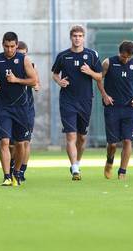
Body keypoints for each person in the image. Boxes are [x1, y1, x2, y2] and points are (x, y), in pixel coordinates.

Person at [0, 32, 37, 186]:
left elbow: (33, 80)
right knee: (5, 142)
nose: (9, 49)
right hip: (3, 108)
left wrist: (16, 80)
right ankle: (6, 176)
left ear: (16, 44)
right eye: (6, 46)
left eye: (12, 46)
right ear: (2, 45)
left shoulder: (24, 60)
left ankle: (17, 172)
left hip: (21, 108)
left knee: (20, 144)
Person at [51, 25, 102, 181]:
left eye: (80, 36)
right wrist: (59, 82)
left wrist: (90, 72)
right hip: (67, 100)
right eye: (75, 36)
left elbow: (99, 76)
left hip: (85, 100)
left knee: (82, 138)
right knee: (71, 136)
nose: (77, 38)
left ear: (83, 38)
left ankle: (77, 162)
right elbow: (54, 74)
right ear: (71, 37)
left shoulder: (92, 55)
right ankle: (74, 169)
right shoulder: (63, 56)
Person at [97, 41, 133, 180]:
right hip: (112, 108)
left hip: (129, 108)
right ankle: (109, 161)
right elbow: (98, 79)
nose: (125, 59)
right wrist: (104, 95)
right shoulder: (108, 63)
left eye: (127, 57)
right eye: (123, 56)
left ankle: (122, 172)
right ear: (119, 52)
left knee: (128, 141)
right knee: (113, 144)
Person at [12, 41, 40, 182]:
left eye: (24, 54)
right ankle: (13, 166)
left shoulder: (31, 66)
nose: (22, 56)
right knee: (12, 143)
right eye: (20, 54)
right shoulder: (10, 67)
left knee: (25, 142)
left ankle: (22, 170)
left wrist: (36, 86)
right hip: (11, 108)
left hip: (27, 109)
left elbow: (37, 82)